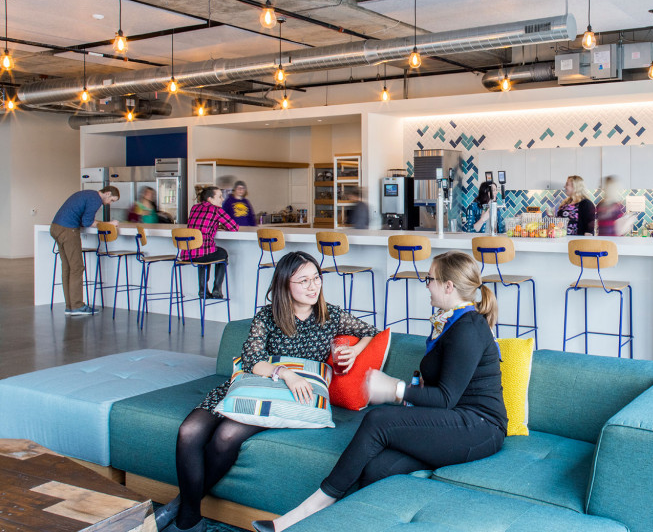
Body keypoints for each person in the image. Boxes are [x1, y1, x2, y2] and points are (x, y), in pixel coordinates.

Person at [255, 251, 506, 532]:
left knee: (379, 420)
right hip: (453, 422)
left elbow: (446, 399)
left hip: (480, 426)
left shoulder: (468, 327)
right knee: (377, 469)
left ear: (448, 286)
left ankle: (308, 510)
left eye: (429, 279)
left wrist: (393, 389)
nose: (426, 285)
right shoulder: (449, 322)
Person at [155, 251, 379, 532]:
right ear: (285, 284)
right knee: (188, 431)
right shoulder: (268, 315)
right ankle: (187, 511)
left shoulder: (330, 315)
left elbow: (373, 331)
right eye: (304, 281)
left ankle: (184, 515)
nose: (313, 287)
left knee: (226, 435)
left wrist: (353, 350)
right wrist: (286, 374)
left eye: (317, 278)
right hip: (252, 386)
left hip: (280, 401)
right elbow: (251, 359)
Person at [49, 186, 120, 316]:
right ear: (107, 193)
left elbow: (83, 220)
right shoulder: (96, 199)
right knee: (77, 267)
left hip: (56, 227)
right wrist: (109, 224)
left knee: (67, 268)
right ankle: (76, 306)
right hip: (68, 230)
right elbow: (88, 222)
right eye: (112, 200)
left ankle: (70, 306)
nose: (109, 203)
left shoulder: (88, 194)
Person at [184, 186, 238, 299]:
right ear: (210, 199)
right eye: (219, 197)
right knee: (221, 253)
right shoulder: (217, 210)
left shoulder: (194, 208)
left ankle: (203, 290)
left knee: (206, 253)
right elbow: (234, 227)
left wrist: (215, 226)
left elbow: (201, 224)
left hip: (188, 253)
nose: (222, 199)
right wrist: (222, 226)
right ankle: (217, 290)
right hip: (203, 254)